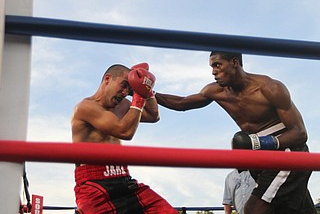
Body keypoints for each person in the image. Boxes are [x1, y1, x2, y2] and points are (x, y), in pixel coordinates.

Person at [155, 51, 317, 214]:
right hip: (259, 157)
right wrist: (148, 93)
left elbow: (300, 133)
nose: (213, 71)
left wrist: (259, 142)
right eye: (212, 67)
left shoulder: (269, 87)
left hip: (286, 154)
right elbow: (182, 103)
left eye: (217, 65)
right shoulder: (215, 91)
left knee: (253, 210)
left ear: (234, 62)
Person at [71, 63, 177, 214]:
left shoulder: (124, 105)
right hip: (94, 184)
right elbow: (124, 131)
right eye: (124, 85)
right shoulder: (85, 107)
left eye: (130, 89)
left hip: (123, 178)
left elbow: (154, 116)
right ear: (107, 79)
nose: (125, 92)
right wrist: (139, 96)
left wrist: (147, 90)